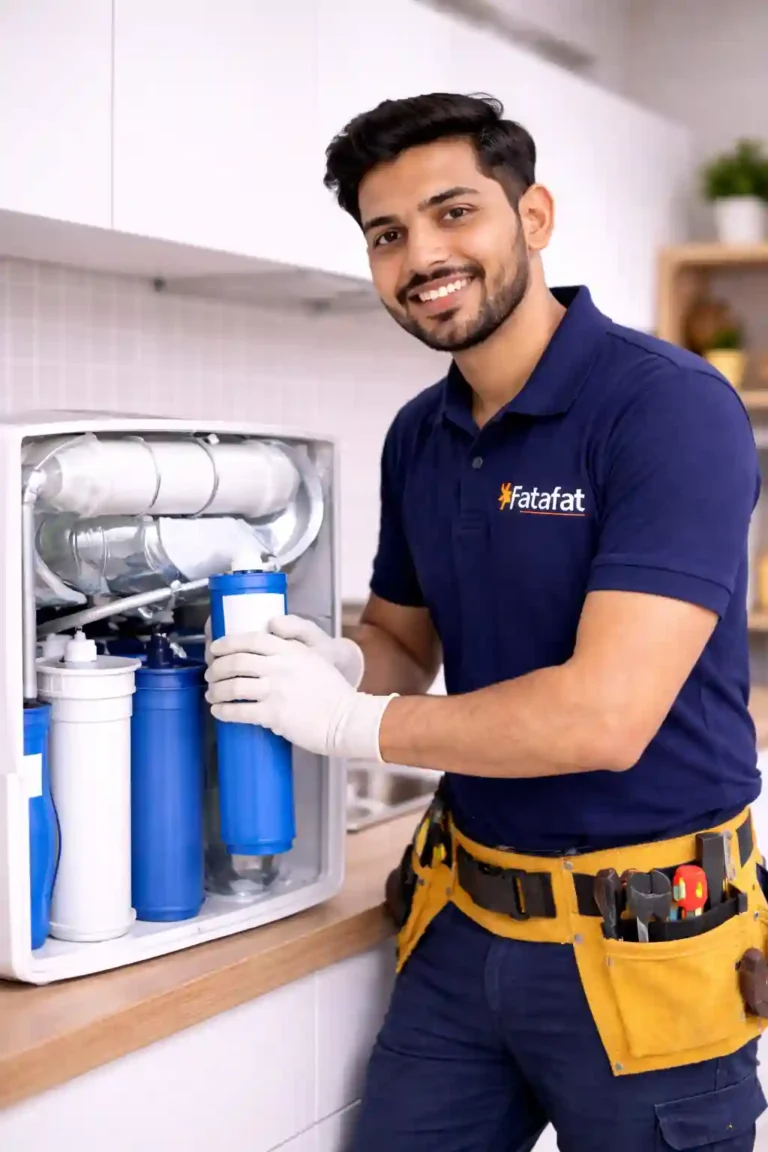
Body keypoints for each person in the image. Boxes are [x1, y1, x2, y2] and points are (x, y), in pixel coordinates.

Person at [205, 93, 768, 1150]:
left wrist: (353, 723)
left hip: (649, 937)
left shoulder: (667, 408)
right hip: (464, 926)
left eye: (453, 212)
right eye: (386, 234)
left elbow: (604, 717)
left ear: (534, 216)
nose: (421, 255)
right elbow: (404, 645)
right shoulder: (420, 435)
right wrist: (339, 661)